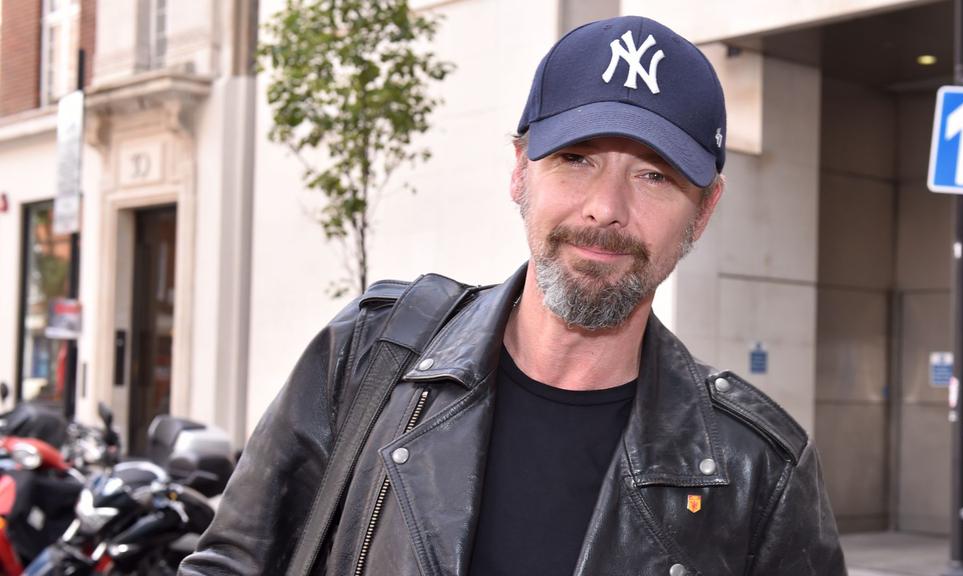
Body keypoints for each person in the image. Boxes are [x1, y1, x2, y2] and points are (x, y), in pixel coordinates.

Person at [180, 15, 846, 576]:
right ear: (520, 169)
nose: (605, 209)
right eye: (576, 158)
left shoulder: (757, 470)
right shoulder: (368, 358)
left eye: (654, 175)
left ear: (703, 213)